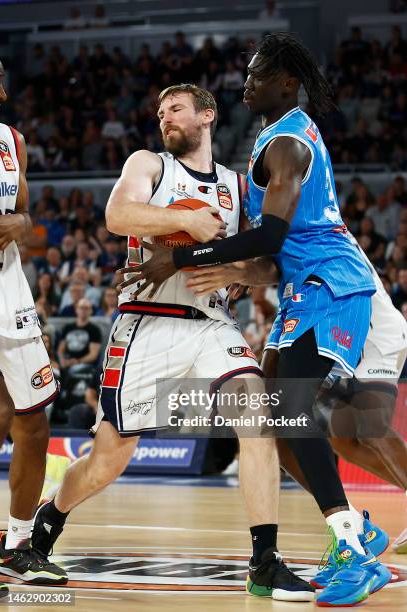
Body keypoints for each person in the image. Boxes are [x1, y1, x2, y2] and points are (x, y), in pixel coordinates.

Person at [126, 35, 391, 606]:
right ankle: (354, 527)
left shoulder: (290, 143)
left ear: (287, 82)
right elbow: (272, 254)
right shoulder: (272, 139)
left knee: (294, 411)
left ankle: (354, 548)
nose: (247, 79)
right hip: (301, 286)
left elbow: (272, 236)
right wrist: (242, 272)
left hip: (330, 284)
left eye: (258, 72)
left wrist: (182, 255)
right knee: (272, 420)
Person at [32, 83, 314, 601]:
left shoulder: (236, 183)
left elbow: (267, 265)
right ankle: (44, 527)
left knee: (256, 414)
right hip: (147, 323)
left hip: (211, 321)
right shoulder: (150, 165)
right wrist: (186, 221)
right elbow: (118, 216)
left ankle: (265, 561)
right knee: (108, 461)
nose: (167, 118)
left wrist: (229, 266)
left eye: (177, 110)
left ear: (206, 115)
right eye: (161, 112)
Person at [185, 229, 407, 561]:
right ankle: (354, 525)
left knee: (367, 424)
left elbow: (269, 251)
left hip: (361, 312)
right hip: (308, 313)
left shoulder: (299, 200)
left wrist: (231, 265)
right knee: (286, 427)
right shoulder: (262, 210)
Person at [0, 59, 67, 588]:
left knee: (33, 419)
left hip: (9, 290)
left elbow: (25, 215)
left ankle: (18, 543)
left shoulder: (12, 141)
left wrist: (20, 222)